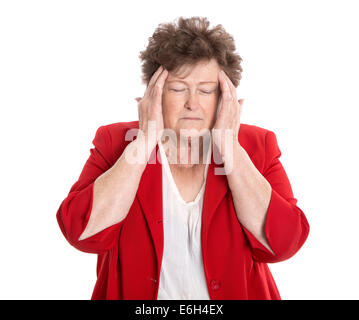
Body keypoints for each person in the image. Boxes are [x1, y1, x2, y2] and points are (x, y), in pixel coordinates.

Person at [56, 16, 310, 300]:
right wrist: (145, 141)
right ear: (155, 92)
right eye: (178, 89)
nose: (193, 103)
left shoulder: (257, 145)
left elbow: (284, 244)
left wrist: (230, 147)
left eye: (206, 90)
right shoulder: (115, 141)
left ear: (225, 96)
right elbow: (81, 233)